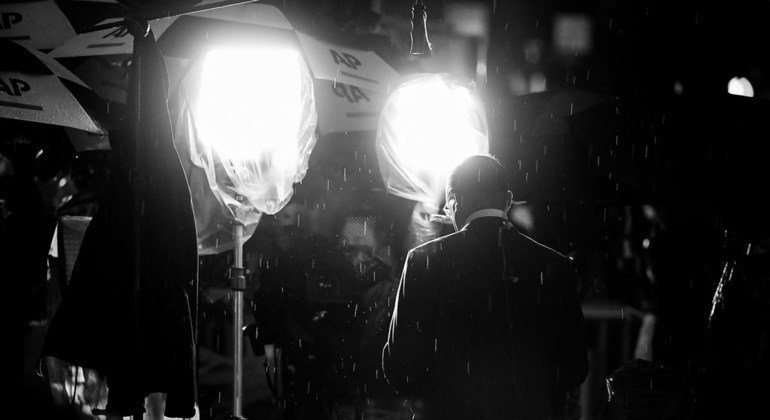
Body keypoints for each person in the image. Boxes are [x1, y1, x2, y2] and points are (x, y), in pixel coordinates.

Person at [382, 155, 588, 419]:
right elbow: (575, 368)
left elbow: (402, 365)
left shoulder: (424, 260)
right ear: (508, 199)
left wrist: (441, 390)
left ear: (454, 201)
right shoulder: (556, 266)